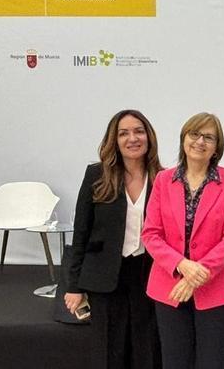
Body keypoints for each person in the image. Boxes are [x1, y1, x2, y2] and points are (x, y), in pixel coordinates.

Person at [142, 112, 224, 369]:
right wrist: (182, 265)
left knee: (213, 362)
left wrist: (196, 274)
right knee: (174, 361)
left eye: (208, 137)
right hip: (169, 287)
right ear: (183, 139)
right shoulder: (163, 180)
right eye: (194, 134)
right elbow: (151, 233)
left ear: (217, 147)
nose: (200, 141)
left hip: (217, 287)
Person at [65, 109, 162, 369]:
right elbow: (81, 232)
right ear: (114, 140)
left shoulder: (163, 178)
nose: (133, 138)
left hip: (148, 274)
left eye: (139, 131)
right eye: (124, 133)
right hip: (104, 275)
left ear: (149, 136)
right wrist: (74, 286)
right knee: (110, 352)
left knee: (147, 348)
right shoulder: (96, 175)